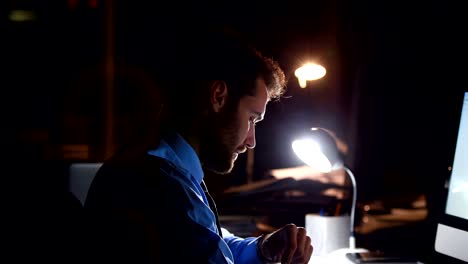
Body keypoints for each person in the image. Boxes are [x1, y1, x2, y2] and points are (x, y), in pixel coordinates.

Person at [84, 27, 313, 263]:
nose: (251, 141)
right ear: (218, 97)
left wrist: (262, 249)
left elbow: (213, 243)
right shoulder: (166, 190)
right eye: (251, 119)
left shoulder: (159, 164)